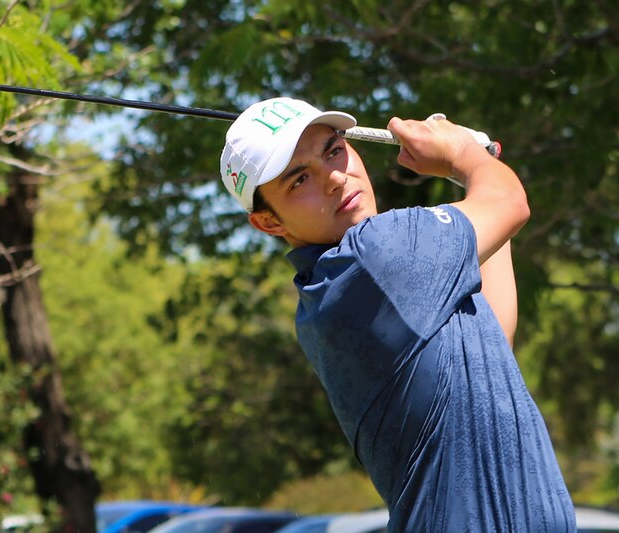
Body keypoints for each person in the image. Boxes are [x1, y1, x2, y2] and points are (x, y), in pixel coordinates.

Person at [219, 97, 576, 532]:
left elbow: (494, 332)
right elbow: (509, 203)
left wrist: (477, 161)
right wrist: (462, 157)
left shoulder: (336, 289)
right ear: (269, 223)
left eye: (333, 149)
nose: (334, 177)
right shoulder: (375, 255)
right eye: (299, 180)